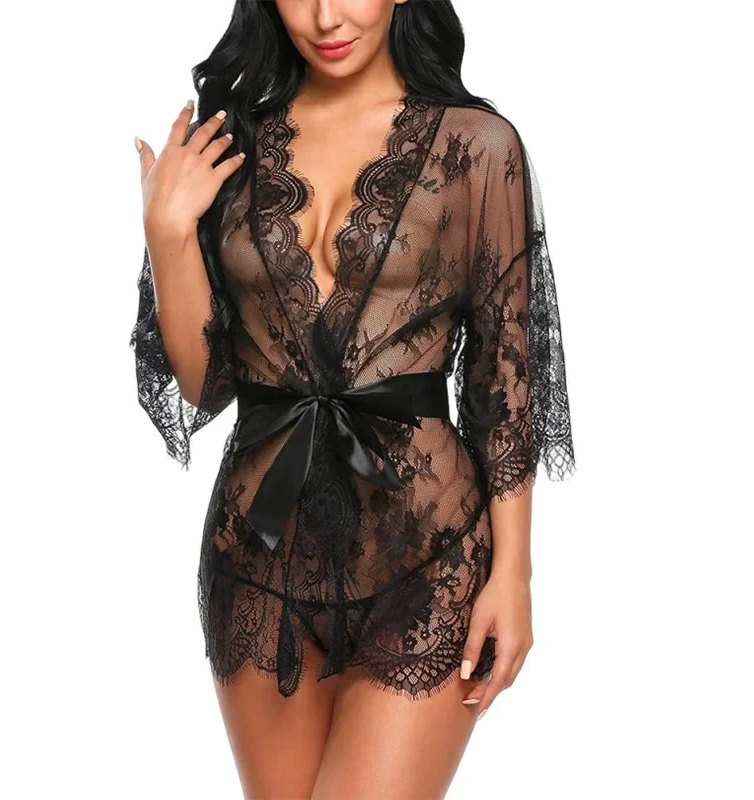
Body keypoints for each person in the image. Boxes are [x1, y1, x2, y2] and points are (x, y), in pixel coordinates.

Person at [131, 0, 576, 797]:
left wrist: (515, 573)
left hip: (426, 555)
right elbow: (207, 385)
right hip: (257, 557)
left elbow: (504, 381)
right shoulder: (230, 142)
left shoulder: (477, 146)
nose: (325, 16)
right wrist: (167, 234)